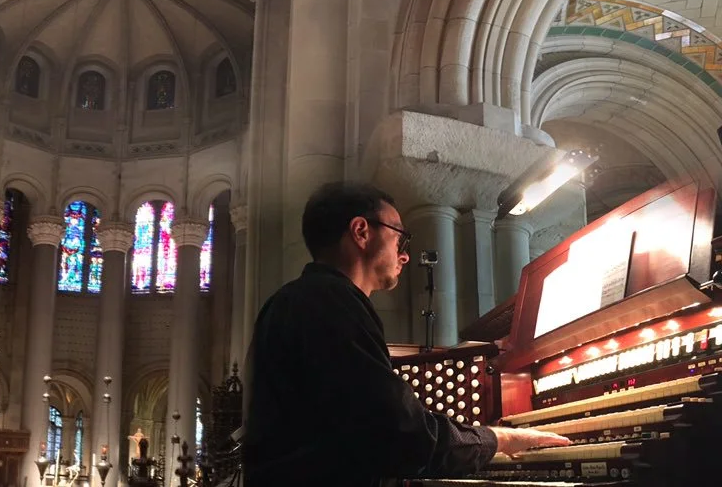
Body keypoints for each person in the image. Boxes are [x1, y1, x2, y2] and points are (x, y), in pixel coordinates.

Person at [241, 181, 570, 486]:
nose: (405, 254)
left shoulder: (289, 302)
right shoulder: (332, 304)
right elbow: (403, 436)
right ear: (361, 231)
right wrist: (499, 438)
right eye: (401, 237)